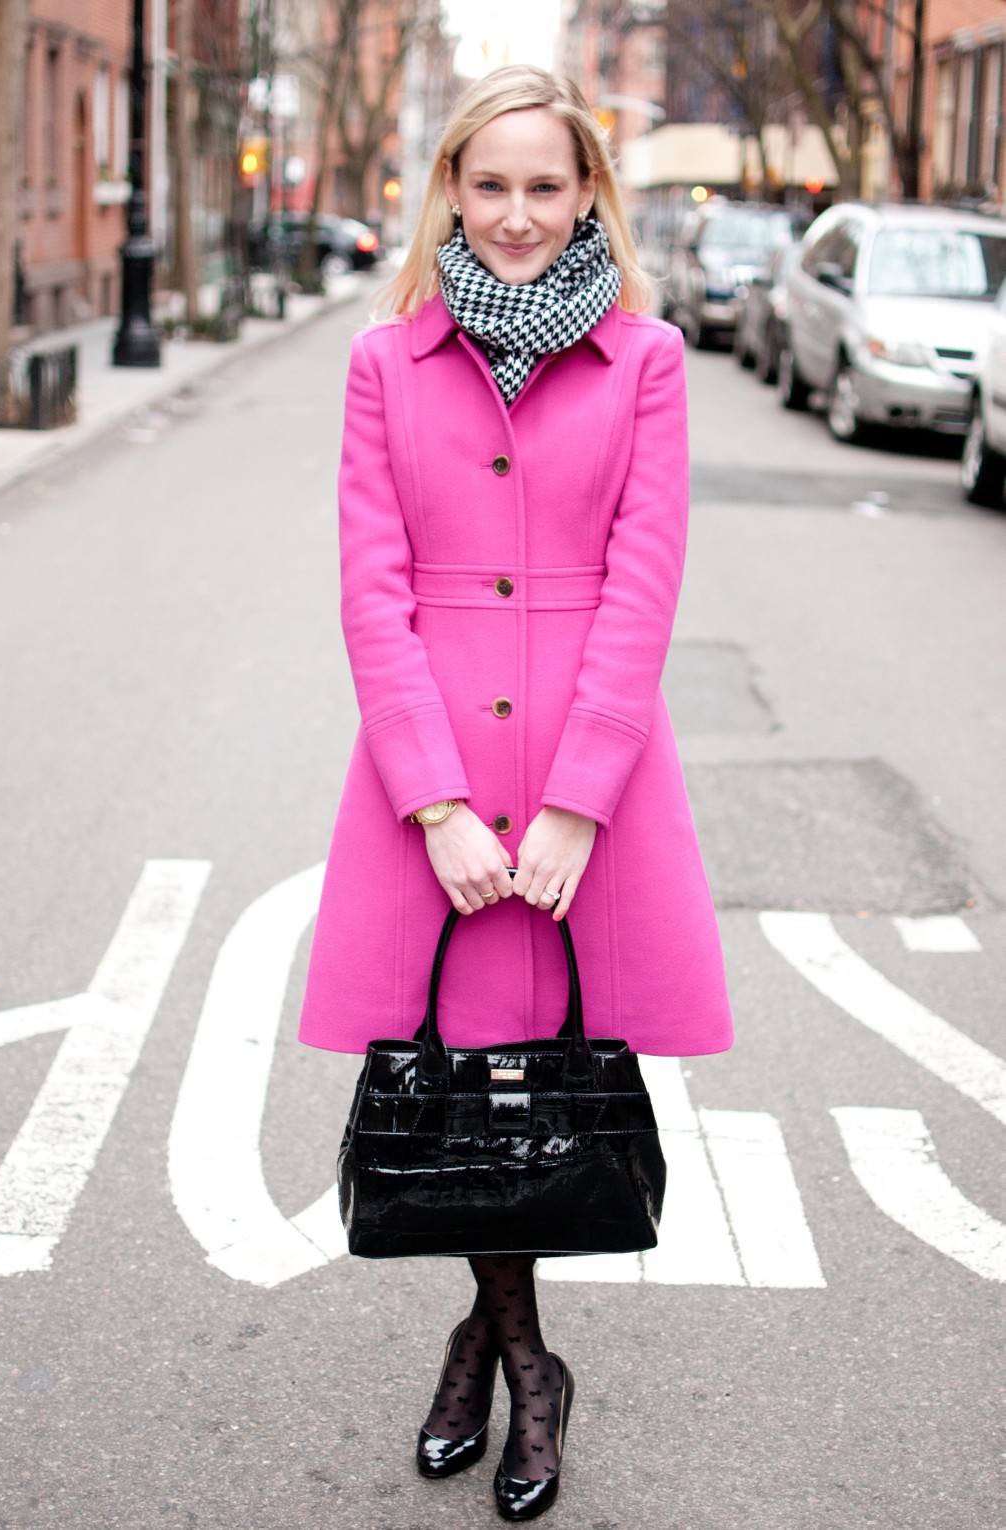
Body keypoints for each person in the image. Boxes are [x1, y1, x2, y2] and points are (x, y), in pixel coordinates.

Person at [299, 64, 733, 1522]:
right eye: (490, 185)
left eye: (547, 185)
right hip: (429, 774)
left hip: (577, 781)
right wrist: (431, 799)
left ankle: (485, 1350)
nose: (518, 215)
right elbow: (370, 595)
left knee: (541, 1078)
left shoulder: (651, 360)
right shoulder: (381, 363)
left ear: (589, 194)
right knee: (460, 1080)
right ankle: (528, 1364)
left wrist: (573, 801)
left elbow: (644, 584)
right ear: (451, 194)